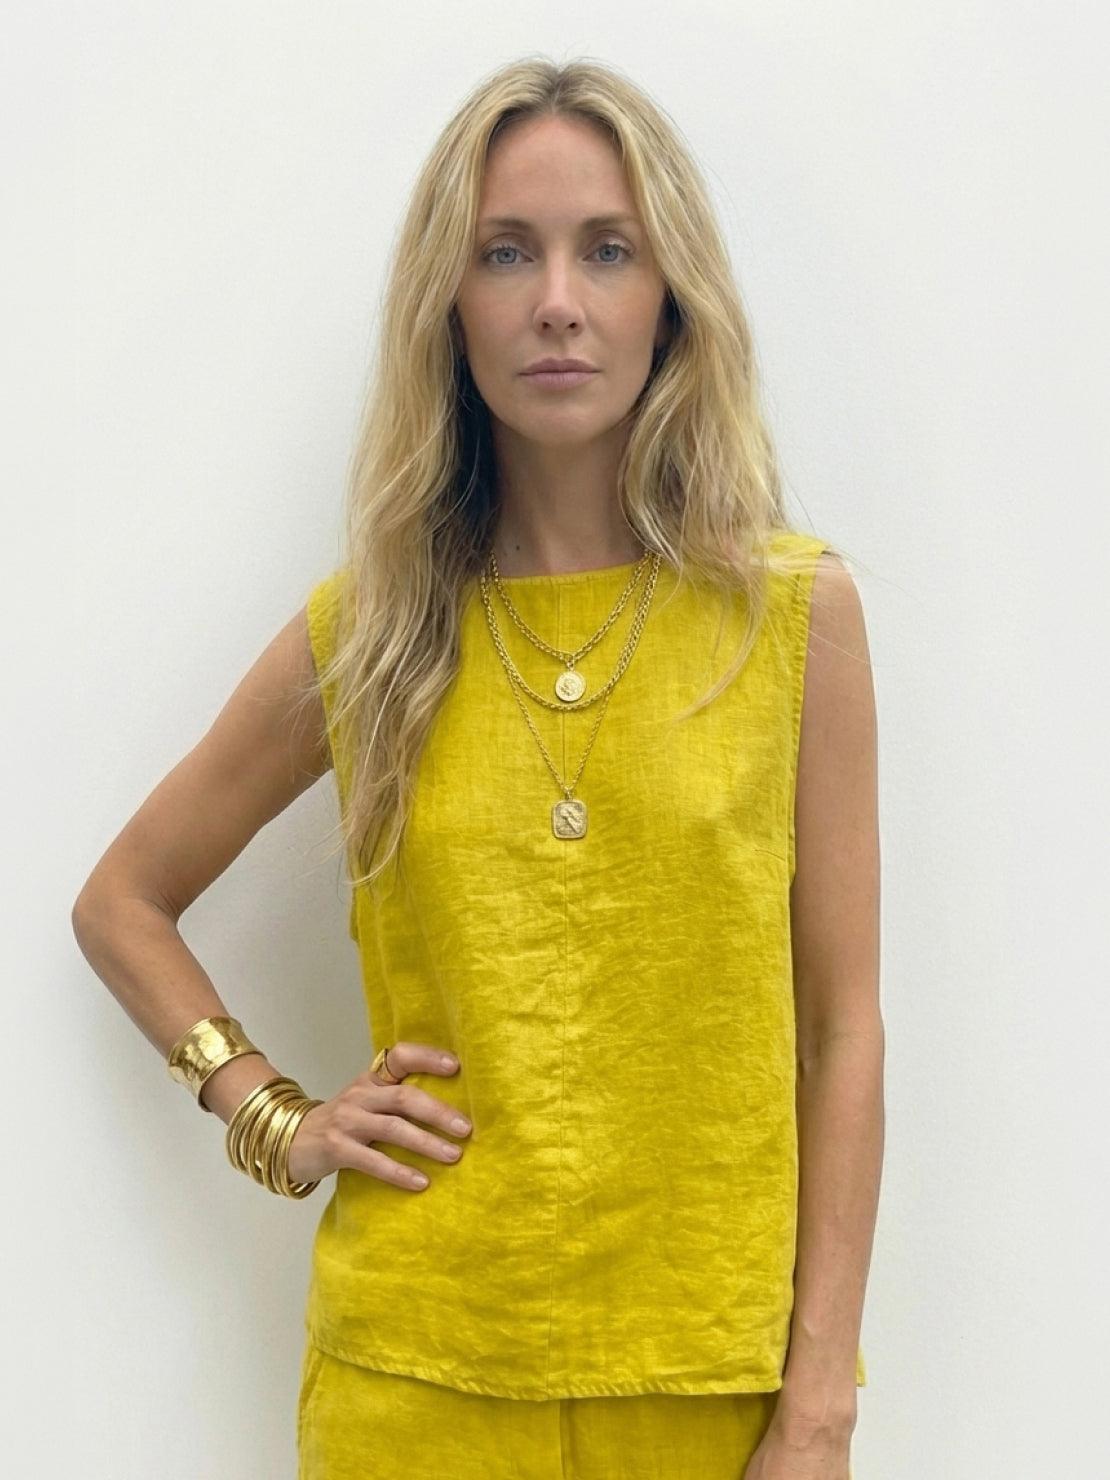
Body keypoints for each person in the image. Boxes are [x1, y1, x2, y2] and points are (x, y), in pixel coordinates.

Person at [72, 56, 883, 1480]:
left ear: (672, 295)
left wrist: (819, 1402)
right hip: (414, 1379)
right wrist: (270, 1116)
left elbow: (841, 1030)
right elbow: (123, 900)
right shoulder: (372, 634)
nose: (556, 300)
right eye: (505, 252)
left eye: (607, 249)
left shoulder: (792, 619)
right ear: (448, 305)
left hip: (709, 1383)